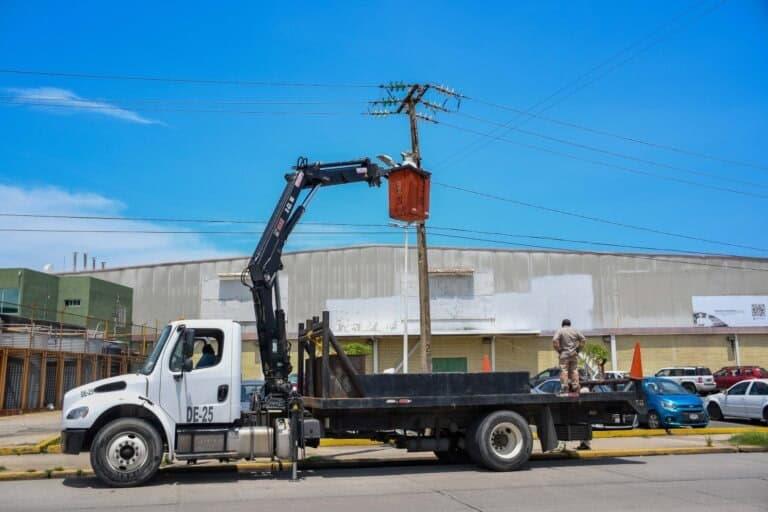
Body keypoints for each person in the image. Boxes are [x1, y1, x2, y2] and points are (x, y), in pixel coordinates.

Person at [552, 318, 586, 394]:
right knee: (574, 370)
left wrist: (559, 350)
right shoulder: (575, 331)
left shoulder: (560, 330)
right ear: (570, 324)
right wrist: (578, 349)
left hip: (564, 353)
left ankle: (564, 386)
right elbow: (583, 339)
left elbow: (554, 340)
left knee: (564, 370)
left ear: (562, 324)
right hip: (574, 353)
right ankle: (576, 386)